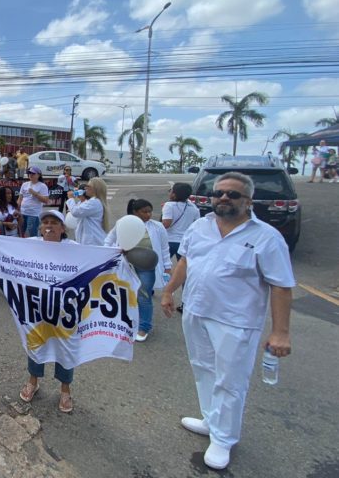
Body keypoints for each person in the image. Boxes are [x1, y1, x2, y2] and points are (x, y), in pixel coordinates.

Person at [160, 172, 294, 471]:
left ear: (247, 201)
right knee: (203, 369)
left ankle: (224, 438)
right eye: (219, 192)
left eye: (232, 194)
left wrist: (281, 332)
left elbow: (281, 286)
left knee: (231, 382)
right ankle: (211, 419)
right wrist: (169, 291)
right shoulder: (200, 226)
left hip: (236, 322)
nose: (223, 198)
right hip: (195, 311)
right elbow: (185, 262)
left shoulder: (266, 237)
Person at [18, 209, 77, 412]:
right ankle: (33, 381)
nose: (49, 226)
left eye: (54, 222)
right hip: (37, 307)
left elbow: (99, 257)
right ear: (40, 228)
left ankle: (65, 390)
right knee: (35, 343)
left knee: (66, 349)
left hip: (65, 311)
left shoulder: (74, 248)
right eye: (45, 223)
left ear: (63, 228)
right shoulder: (32, 244)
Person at [106, 199, 171, 342]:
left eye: (150, 211)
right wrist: (113, 253)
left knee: (144, 296)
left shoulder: (157, 226)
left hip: (147, 266)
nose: (148, 214)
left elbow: (165, 247)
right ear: (135, 212)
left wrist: (167, 266)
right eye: (144, 211)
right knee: (125, 294)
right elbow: (108, 240)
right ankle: (126, 323)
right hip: (125, 265)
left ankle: (144, 327)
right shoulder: (123, 224)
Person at [162, 182, 200, 261]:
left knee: (162, 265)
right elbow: (196, 224)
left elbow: (166, 224)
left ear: (174, 194)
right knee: (183, 267)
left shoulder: (169, 205)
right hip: (185, 241)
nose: (169, 192)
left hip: (170, 241)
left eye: (171, 191)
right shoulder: (194, 208)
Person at [70, 178, 109, 246]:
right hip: (90, 240)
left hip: (93, 241)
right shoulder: (92, 201)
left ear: (95, 189)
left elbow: (75, 212)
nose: (85, 188)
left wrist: (70, 199)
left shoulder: (94, 202)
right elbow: (81, 208)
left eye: (88, 186)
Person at [18, 166, 49, 238]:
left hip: (33, 214)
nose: (30, 175)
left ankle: (34, 247)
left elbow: (46, 200)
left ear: (38, 175)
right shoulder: (24, 184)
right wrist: (17, 209)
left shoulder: (42, 186)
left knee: (32, 234)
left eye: (33, 173)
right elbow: (20, 198)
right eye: (29, 173)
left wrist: (35, 194)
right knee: (20, 232)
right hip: (22, 213)